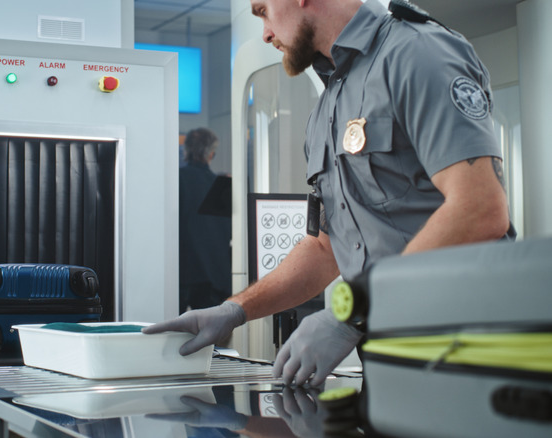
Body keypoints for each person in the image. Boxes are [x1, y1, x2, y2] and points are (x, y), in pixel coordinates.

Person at [144, 0, 513, 388]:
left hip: (472, 349)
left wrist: (350, 315)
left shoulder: (417, 53)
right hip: (395, 356)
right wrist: (236, 309)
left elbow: (479, 209)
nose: (266, 33)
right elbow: (325, 248)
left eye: (263, 11)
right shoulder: (327, 108)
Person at [178, 128, 232, 314]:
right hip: (213, 277)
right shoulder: (222, 186)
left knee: (170, 335)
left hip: (180, 275)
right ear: (212, 154)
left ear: (186, 151)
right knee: (209, 338)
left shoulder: (175, 180)